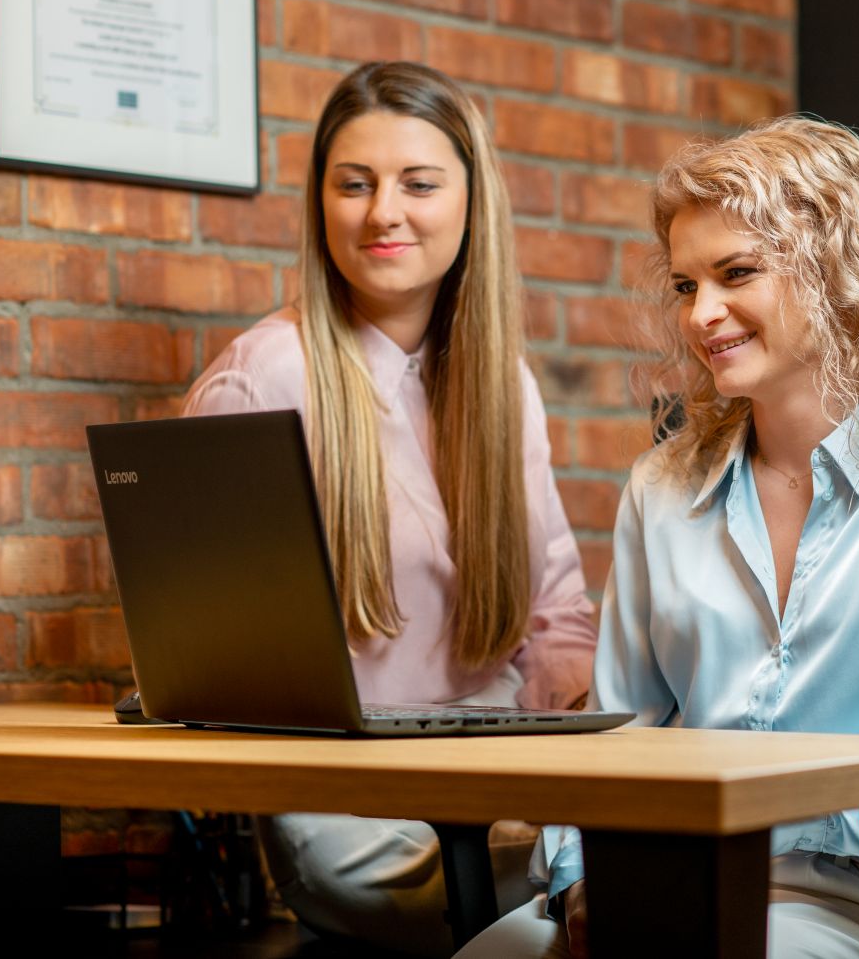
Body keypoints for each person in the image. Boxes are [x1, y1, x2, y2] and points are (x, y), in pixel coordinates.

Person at [457, 116, 859, 959]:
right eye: (683, 285)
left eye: (736, 273)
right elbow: (618, 734)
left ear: (840, 269)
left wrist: (757, 806)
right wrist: (583, 876)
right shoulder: (660, 487)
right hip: (657, 882)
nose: (702, 314)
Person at [182, 62, 598, 956]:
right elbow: (218, 665)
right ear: (320, 203)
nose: (383, 212)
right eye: (354, 184)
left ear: (469, 201)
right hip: (348, 805)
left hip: (502, 771)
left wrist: (545, 760)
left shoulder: (506, 387)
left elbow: (559, 613)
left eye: (418, 182)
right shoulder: (263, 378)